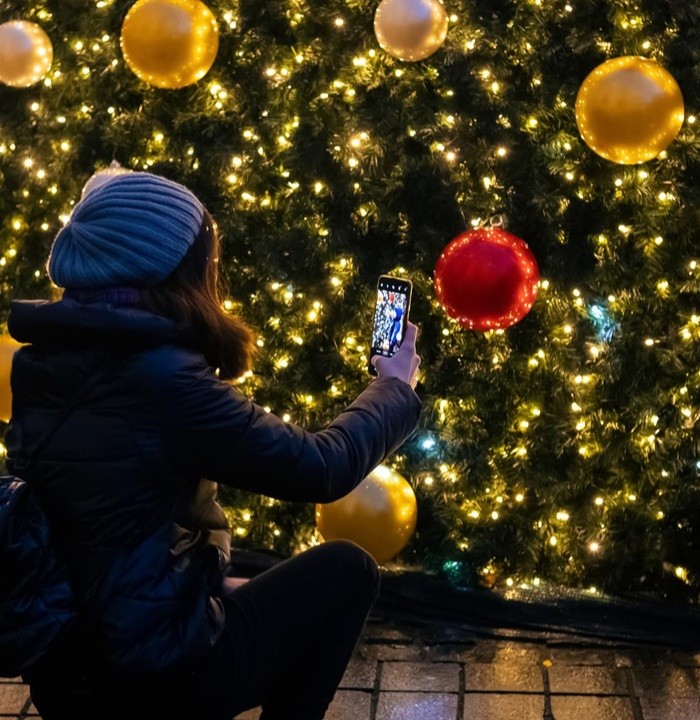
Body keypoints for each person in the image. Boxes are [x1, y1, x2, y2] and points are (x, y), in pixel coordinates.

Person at [3, 171, 422, 719]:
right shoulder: (161, 380)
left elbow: (103, 521)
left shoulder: (44, 359)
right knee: (346, 572)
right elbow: (321, 466)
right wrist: (393, 387)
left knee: (250, 579)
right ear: (182, 268)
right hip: (150, 679)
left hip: (63, 671)